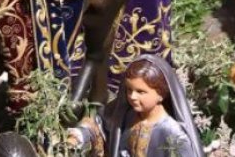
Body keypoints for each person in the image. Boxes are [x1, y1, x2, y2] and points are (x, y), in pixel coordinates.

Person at [67, 55, 201, 157]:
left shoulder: (172, 133)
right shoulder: (124, 114)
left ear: (161, 94)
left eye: (141, 92)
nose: (132, 96)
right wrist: (76, 137)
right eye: (129, 90)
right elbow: (98, 124)